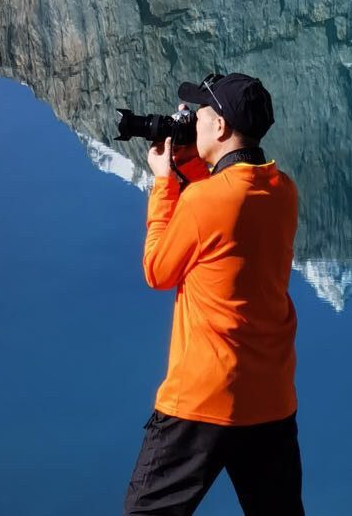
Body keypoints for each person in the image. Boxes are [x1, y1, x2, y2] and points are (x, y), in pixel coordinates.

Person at [122, 72, 304, 516]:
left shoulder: (202, 202)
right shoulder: (283, 192)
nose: (191, 119)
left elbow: (158, 271)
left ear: (220, 127)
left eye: (199, 113)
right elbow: (231, 202)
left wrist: (165, 183)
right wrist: (193, 166)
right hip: (269, 399)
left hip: (202, 400)